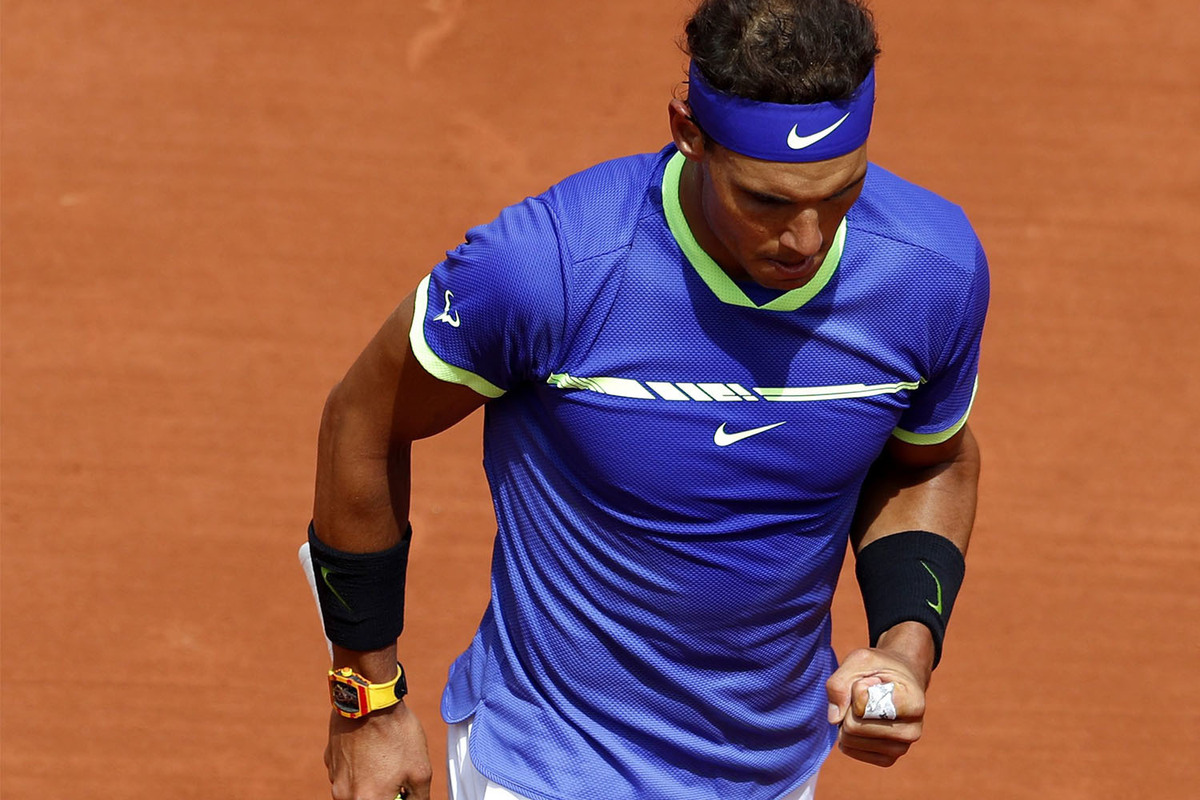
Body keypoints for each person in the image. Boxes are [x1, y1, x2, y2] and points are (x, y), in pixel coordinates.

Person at [305, 0, 989, 798]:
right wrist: (366, 703)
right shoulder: (553, 265)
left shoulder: (931, 271)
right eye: (766, 202)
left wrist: (905, 647)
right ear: (688, 132)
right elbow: (363, 421)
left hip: (772, 772)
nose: (806, 240)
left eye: (841, 193)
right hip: (548, 762)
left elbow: (929, 462)